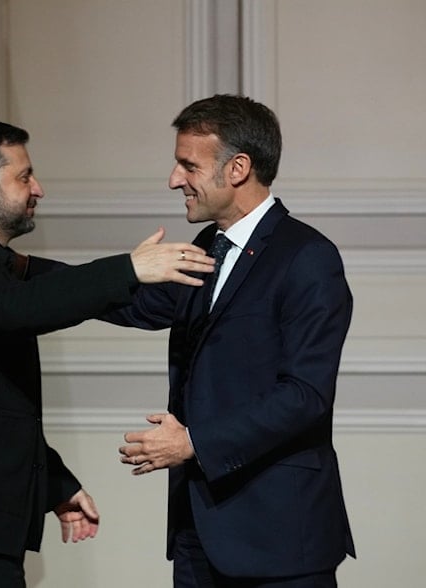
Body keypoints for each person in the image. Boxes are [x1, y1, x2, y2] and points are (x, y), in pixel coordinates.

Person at [0, 119, 214, 587]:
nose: (37, 188)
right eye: (23, 176)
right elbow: (21, 308)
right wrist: (129, 267)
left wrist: (56, 483)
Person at [108, 95, 356, 587]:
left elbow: (305, 396)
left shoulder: (307, 257)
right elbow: (132, 304)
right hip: (199, 536)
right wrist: (20, 271)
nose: (174, 180)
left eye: (188, 165)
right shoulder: (206, 250)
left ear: (238, 168)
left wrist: (192, 442)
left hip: (280, 541)